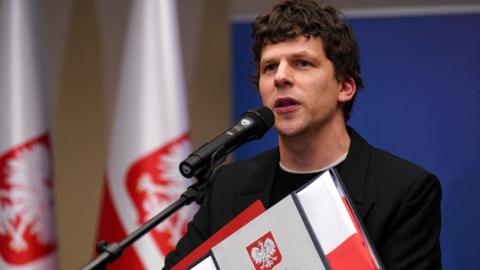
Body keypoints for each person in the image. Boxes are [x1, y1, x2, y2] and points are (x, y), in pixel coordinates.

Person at [164, 0, 442, 269]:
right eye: (269, 67)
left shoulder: (404, 191)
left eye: (301, 63)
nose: (280, 77)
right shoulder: (229, 187)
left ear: (344, 87)